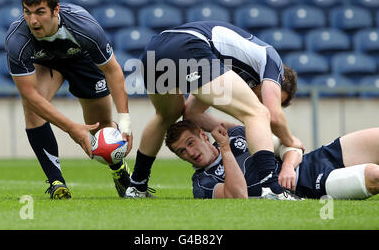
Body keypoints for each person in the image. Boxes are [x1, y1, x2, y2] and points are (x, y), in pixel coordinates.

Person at [125, 20, 303, 199]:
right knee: (258, 113)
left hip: (155, 50)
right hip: (189, 45)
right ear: (278, 80)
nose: (264, 100)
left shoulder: (235, 64)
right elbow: (272, 116)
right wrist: (289, 140)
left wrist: (235, 129)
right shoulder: (273, 61)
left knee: (166, 116)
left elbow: (192, 114)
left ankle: (137, 187)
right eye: (266, 96)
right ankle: (271, 188)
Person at [5, 0, 133, 199]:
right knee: (32, 109)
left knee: (100, 126)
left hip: (81, 61)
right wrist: (71, 128)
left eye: (40, 12)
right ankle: (57, 182)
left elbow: (113, 71)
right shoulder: (17, 39)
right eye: (27, 12)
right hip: (45, 63)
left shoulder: (85, 27)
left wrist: (125, 122)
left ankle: (118, 169)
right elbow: (30, 94)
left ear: (56, 10)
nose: (33, 20)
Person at [165, 119, 379, 200]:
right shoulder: (202, 184)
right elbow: (237, 195)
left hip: (314, 159)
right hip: (307, 186)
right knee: (373, 176)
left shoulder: (239, 133)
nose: (190, 153)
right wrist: (224, 148)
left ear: (203, 135)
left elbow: (292, 144)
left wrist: (287, 166)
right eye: (182, 151)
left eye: (190, 143)